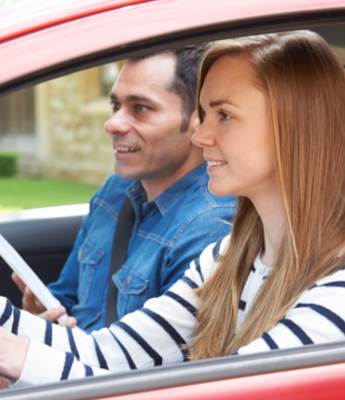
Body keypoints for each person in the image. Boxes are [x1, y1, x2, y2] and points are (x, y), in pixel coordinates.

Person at [0, 31, 345, 388]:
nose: (199, 134)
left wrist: (11, 356)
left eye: (224, 116)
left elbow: (213, 396)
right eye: (201, 113)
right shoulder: (230, 259)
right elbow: (109, 357)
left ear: (295, 130)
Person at [12, 44, 237, 331]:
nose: (112, 124)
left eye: (140, 108)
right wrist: (45, 317)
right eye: (116, 105)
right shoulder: (117, 189)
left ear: (200, 120)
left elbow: (163, 365)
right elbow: (67, 297)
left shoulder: (209, 225)